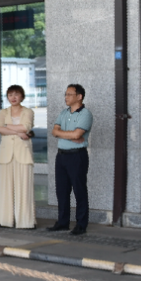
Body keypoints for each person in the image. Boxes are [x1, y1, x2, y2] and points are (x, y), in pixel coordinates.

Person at [49, 84, 92, 235]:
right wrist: (71, 135)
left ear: (79, 97)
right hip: (61, 156)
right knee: (62, 190)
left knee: (79, 190)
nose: (66, 97)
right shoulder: (63, 112)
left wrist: (66, 134)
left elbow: (77, 134)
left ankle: (81, 224)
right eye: (65, 94)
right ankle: (63, 222)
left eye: (69, 94)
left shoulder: (85, 114)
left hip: (77, 156)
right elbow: (54, 131)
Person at [0, 85, 35, 229]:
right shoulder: (3, 112)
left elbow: (26, 127)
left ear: (22, 96)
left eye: (16, 94)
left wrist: (7, 126)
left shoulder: (28, 111)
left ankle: (26, 222)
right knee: (5, 188)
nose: (13, 97)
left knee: (24, 188)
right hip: (6, 155)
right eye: (10, 95)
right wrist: (18, 133)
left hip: (23, 153)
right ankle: (5, 220)